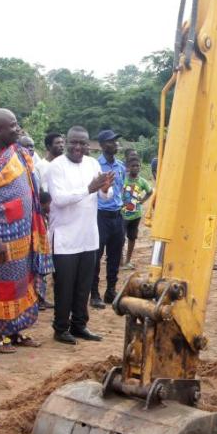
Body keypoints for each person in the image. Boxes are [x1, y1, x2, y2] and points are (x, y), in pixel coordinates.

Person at [0, 108, 52, 353]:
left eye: (17, 124)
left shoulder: (14, 152)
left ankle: (14, 332)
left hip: (22, 234)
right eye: (12, 126)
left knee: (20, 284)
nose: (18, 129)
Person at [44, 126, 111, 344]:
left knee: (83, 286)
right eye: (74, 142)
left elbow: (106, 197)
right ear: (66, 141)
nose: (78, 147)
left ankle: (80, 325)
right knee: (65, 286)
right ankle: (61, 328)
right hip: (65, 238)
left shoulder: (92, 164)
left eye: (83, 143)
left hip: (88, 236)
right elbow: (60, 199)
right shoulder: (56, 167)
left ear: (88, 144)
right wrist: (89, 189)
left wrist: (104, 189)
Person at [90, 129, 127, 309]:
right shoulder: (95, 166)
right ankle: (94, 293)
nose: (116, 144)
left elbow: (120, 189)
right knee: (96, 256)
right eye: (112, 142)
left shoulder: (120, 166)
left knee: (115, 255)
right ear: (103, 145)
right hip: (100, 216)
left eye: (116, 141)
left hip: (117, 216)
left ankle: (110, 291)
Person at [121, 155, 153, 270]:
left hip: (136, 215)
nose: (136, 168)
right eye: (133, 166)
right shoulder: (123, 179)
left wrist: (142, 201)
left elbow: (150, 192)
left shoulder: (142, 181)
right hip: (123, 214)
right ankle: (120, 260)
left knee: (132, 238)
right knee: (120, 238)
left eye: (138, 166)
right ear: (128, 167)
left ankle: (128, 261)